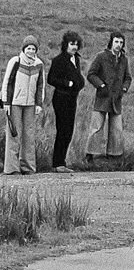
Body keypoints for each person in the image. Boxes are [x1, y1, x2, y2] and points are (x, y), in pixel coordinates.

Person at [86, 30, 133, 164]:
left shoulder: (124, 59)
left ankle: (114, 156)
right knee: (96, 127)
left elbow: (128, 77)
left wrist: (123, 89)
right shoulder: (101, 56)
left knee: (116, 129)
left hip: (116, 98)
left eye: (121, 42)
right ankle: (91, 155)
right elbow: (91, 74)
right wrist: (101, 86)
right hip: (103, 96)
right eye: (116, 42)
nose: (118, 45)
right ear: (111, 42)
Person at [2, 35, 45, 175]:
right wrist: (6, 102)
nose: (31, 51)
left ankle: (28, 167)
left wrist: (39, 103)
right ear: (24, 49)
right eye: (28, 48)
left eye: (33, 48)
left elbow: (40, 85)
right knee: (14, 133)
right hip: (14, 103)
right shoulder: (15, 61)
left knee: (29, 135)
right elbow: (7, 82)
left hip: (30, 104)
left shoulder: (39, 64)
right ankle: (11, 168)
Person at [47, 31, 85, 173]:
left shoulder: (76, 59)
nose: (74, 47)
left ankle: (61, 161)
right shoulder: (59, 60)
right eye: (71, 44)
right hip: (61, 98)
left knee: (69, 130)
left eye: (76, 44)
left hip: (72, 99)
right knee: (62, 129)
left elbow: (77, 76)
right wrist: (67, 83)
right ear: (66, 45)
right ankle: (58, 163)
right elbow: (51, 79)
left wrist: (80, 83)